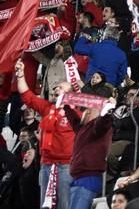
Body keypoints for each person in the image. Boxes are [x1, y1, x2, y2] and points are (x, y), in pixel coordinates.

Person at [15, 60, 74, 209]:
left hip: (65, 165)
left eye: (61, 87)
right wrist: (21, 75)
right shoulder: (47, 108)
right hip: (46, 163)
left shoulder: (76, 112)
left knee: (64, 204)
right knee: (45, 204)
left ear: (70, 94)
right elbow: (27, 96)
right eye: (56, 87)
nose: (56, 88)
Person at [62, 85, 116, 209]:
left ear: (89, 111)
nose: (81, 113)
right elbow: (74, 120)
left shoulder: (97, 128)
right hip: (78, 178)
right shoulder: (83, 128)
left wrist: (108, 112)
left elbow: (104, 123)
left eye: (84, 110)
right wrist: (65, 104)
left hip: (88, 179)